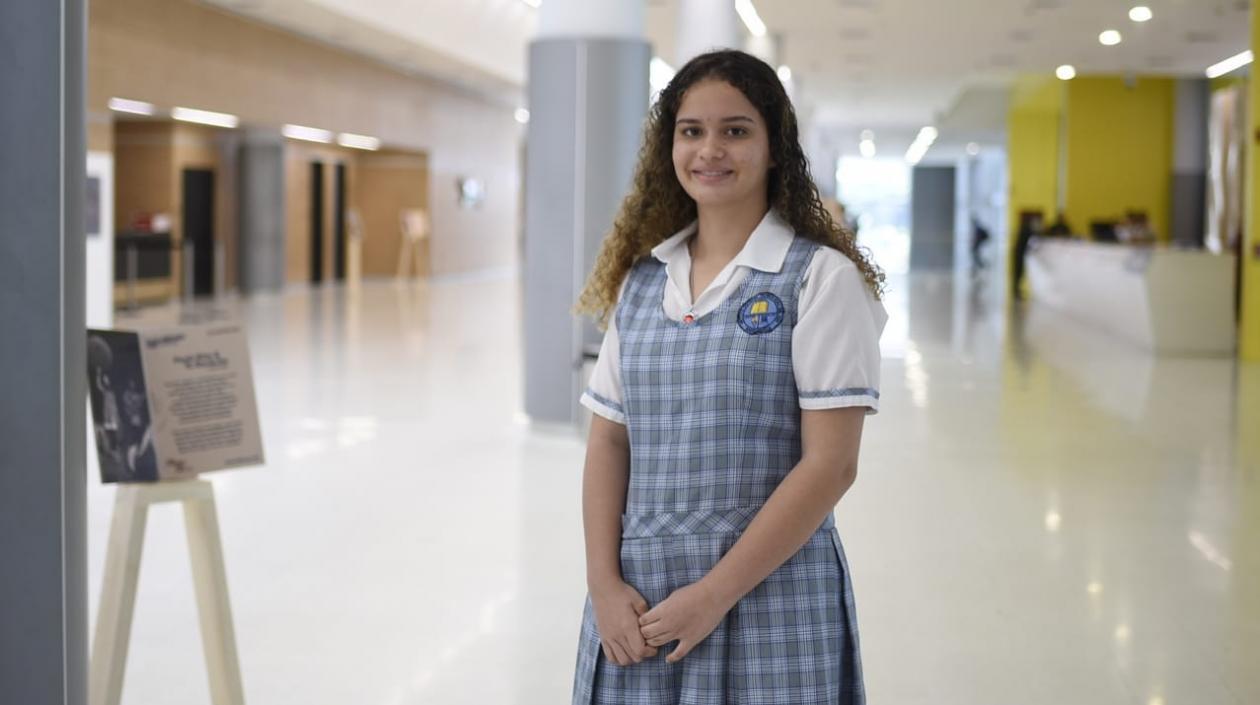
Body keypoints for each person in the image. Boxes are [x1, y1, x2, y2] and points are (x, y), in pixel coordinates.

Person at [570, 49, 887, 704]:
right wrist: (603, 582)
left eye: (735, 130)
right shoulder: (642, 282)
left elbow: (831, 465)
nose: (710, 149)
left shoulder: (819, 279)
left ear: (775, 148)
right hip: (641, 599)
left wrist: (713, 594)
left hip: (770, 589)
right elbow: (609, 441)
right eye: (692, 131)